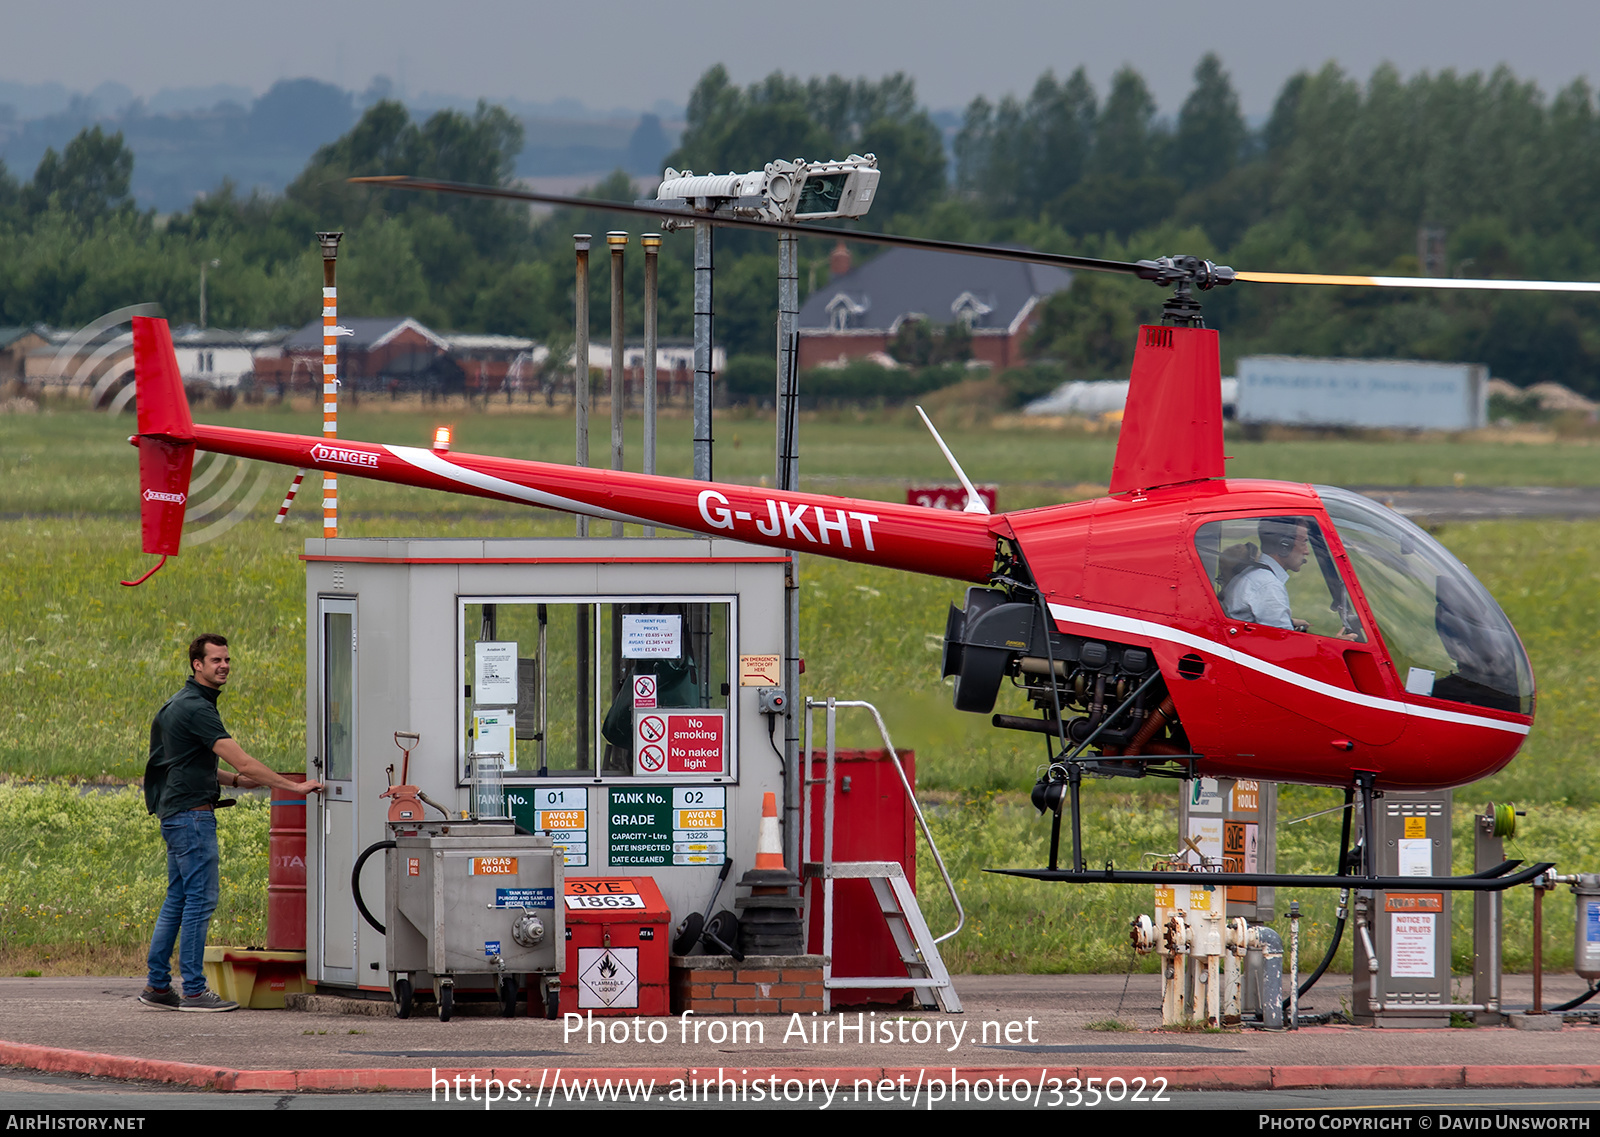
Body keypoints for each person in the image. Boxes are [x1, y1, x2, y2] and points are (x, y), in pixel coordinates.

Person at [140, 634, 323, 1012]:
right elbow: (243, 760)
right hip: (192, 818)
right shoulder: (197, 709)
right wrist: (293, 787)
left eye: (227, 660)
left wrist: (237, 782)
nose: (224, 666)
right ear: (197, 664)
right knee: (200, 900)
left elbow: (188, 764)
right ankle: (193, 990)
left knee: (178, 898)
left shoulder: (177, 704)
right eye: (216, 660)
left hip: (176, 813)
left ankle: (158, 986)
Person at [1221, 517, 1312, 632]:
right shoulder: (1268, 585)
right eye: (1304, 542)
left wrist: (1290, 622)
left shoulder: (1253, 574)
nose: (1306, 551)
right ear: (1285, 546)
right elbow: (1284, 641)